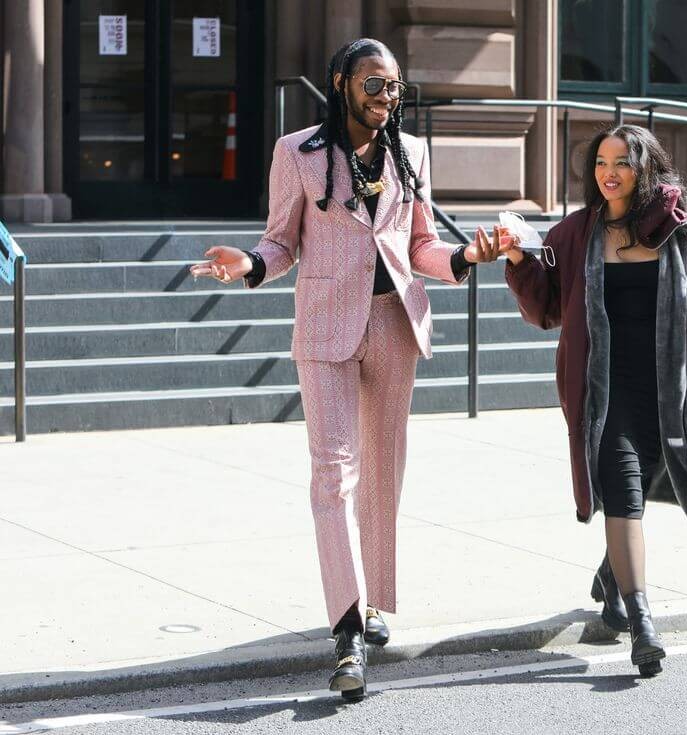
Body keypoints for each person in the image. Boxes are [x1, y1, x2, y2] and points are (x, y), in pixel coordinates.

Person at [190, 38, 508, 701]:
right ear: (340, 84)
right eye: (372, 84)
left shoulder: (411, 154)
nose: (385, 98)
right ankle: (346, 632)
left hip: (395, 326)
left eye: (393, 86)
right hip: (326, 330)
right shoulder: (296, 153)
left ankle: (377, 602)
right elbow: (281, 241)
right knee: (333, 474)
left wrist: (465, 258)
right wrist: (249, 264)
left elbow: (419, 243)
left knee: (383, 473)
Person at [503, 125, 687, 677]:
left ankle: (611, 578)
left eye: (622, 162)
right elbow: (546, 310)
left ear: (645, 168)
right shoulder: (575, 233)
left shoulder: (679, 233)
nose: (608, 173)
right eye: (600, 162)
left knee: (643, 491)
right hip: (601, 391)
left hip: (663, 390)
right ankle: (642, 625)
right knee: (624, 492)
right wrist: (519, 262)